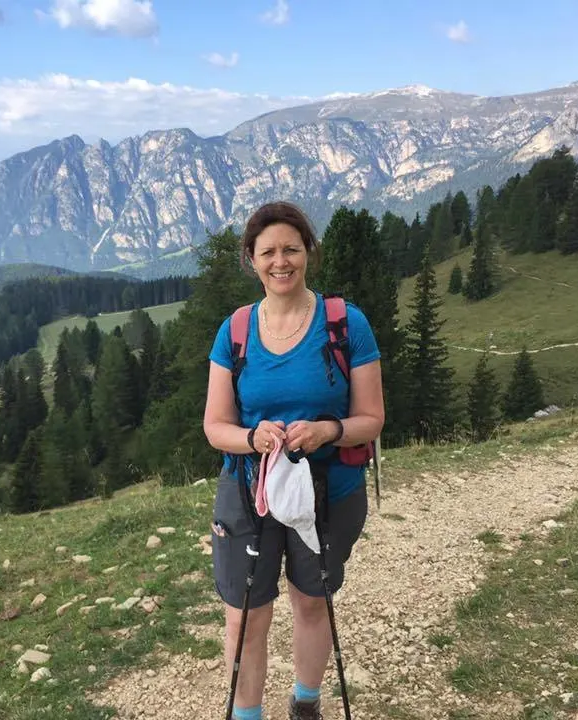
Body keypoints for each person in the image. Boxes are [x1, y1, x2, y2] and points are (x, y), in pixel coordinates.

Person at [202, 201, 385, 720]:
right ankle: (248, 715)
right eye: (268, 252)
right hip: (247, 489)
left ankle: (306, 703)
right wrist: (252, 436)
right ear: (251, 260)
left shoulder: (346, 324)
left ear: (308, 252)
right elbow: (216, 426)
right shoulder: (234, 331)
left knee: (311, 601)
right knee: (244, 618)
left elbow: (371, 418)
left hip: (330, 489)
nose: (280, 262)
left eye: (291, 249)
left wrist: (327, 429)